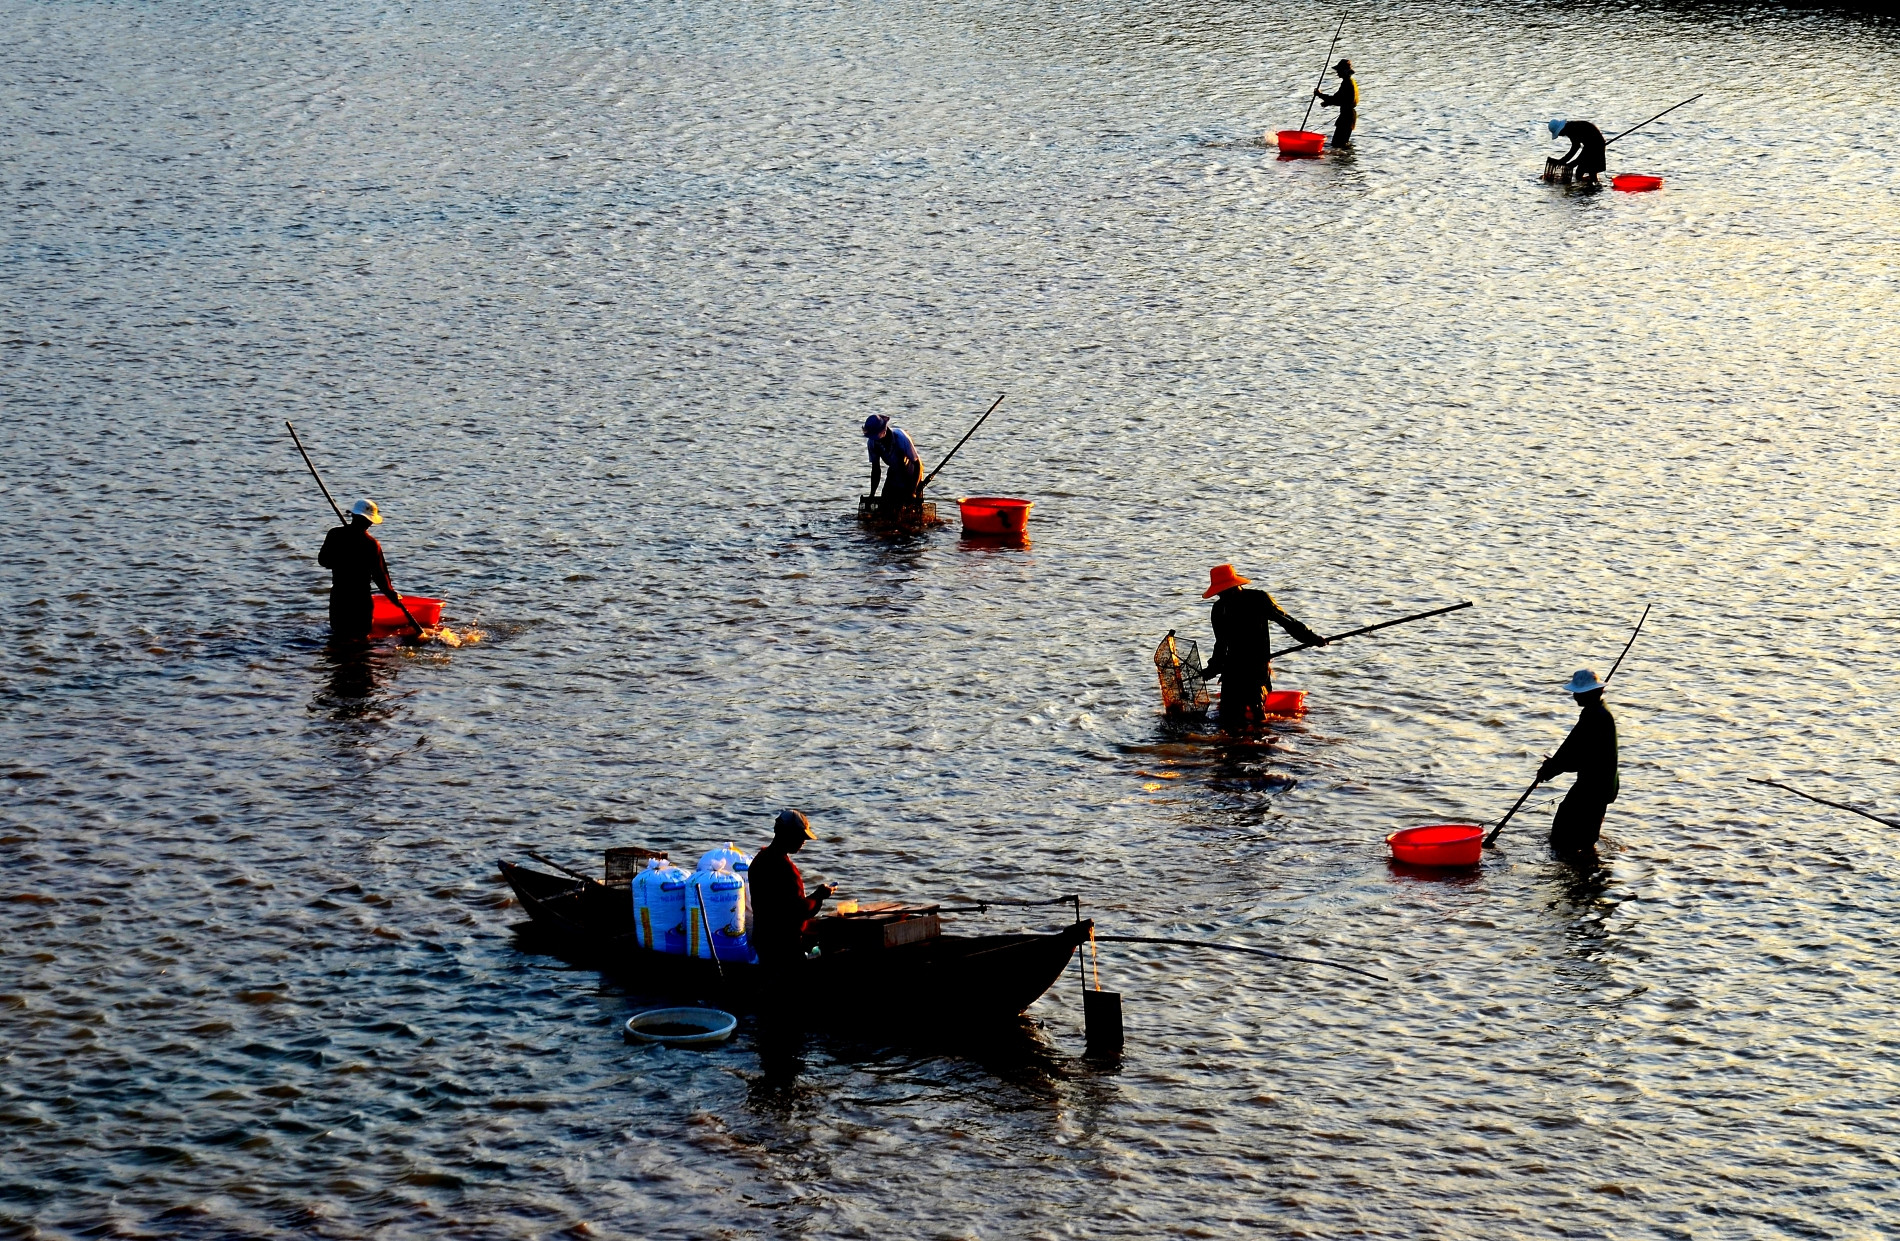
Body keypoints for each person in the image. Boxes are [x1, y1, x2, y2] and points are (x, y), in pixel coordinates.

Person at [1199, 564, 1327, 723]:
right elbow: (1220, 644)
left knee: (1254, 716)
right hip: (1233, 671)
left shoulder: (1257, 599)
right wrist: (1213, 669)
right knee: (1229, 719)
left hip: (1255, 670)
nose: (1222, 596)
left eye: (1223, 592)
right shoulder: (1220, 608)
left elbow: (1286, 622)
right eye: (1220, 593)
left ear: (1232, 587)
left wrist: (1311, 638)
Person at [1535, 668, 1620, 854]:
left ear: (1591, 693)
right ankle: (1586, 866)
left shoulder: (1595, 716)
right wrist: (1553, 766)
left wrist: (1550, 769)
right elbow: (1573, 748)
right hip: (1598, 783)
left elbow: (1575, 754)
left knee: (1566, 830)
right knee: (1578, 832)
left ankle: (1581, 863)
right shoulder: (1596, 712)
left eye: (1578, 692)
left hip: (1595, 786)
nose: (1574, 695)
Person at [748, 809, 834, 968]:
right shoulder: (785, 869)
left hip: (763, 939)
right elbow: (798, 911)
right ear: (786, 834)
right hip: (783, 944)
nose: (804, 841)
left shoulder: (759, 860)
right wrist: (819, 896)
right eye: (800, 837)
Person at [317, 499, 404, 641]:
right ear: (369, 522)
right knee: (361, 640)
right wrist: (392, 595)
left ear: (353, 516)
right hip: (360, 600)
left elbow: (323, 560)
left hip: (339, 597)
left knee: (339, 637)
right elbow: (380, 576)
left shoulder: (334, 534)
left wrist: (342, 559)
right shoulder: (371, 544)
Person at [863, 415, 926, 515]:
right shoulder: (872, 443)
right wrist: (872, 494)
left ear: (884, 431)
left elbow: (917, 465)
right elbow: (876, 470)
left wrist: (913, 491)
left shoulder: (901, 437)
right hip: (894, 472)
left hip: (911, 473)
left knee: (911, 510)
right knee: (885, 508)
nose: (877, 441)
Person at [1549, 118, 1607, 187]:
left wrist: (1574, 162)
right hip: (1590, 146)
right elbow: (1575, 146)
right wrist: (1563, 160)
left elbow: (1577, 147)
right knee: (1580, 173)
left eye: (1559, 133)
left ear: (1561, 129)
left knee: (1589, 171)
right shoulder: (1569, 127)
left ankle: (1594, 187)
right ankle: (1592, 186)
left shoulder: (1571, 129)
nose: (1560, 135)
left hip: (1596, 145)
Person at [1314, 59, 1358, 149]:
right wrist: (1328, 103)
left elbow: (1336, 99)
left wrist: (1320, 95)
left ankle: (1341, 160)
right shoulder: (1349, 82)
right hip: (1348, 116)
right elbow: (1340, 99)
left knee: (1337, 144)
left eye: (1339, 70)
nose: (1337, 72)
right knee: (1340, 144)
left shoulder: (1347, 83)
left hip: (1347, 117)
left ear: (1344, 71)